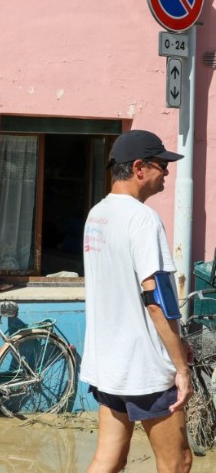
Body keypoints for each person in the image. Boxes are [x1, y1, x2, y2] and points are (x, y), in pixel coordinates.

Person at [81, 129, 192, 473]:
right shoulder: (143, 219)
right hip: (145, 368)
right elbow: (157, 300)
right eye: (163, 165)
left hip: (109, 365)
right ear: (140, 167)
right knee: (178, 463)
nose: (167, 174)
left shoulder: (97, 215)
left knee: (108, 460)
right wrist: (181, 367)